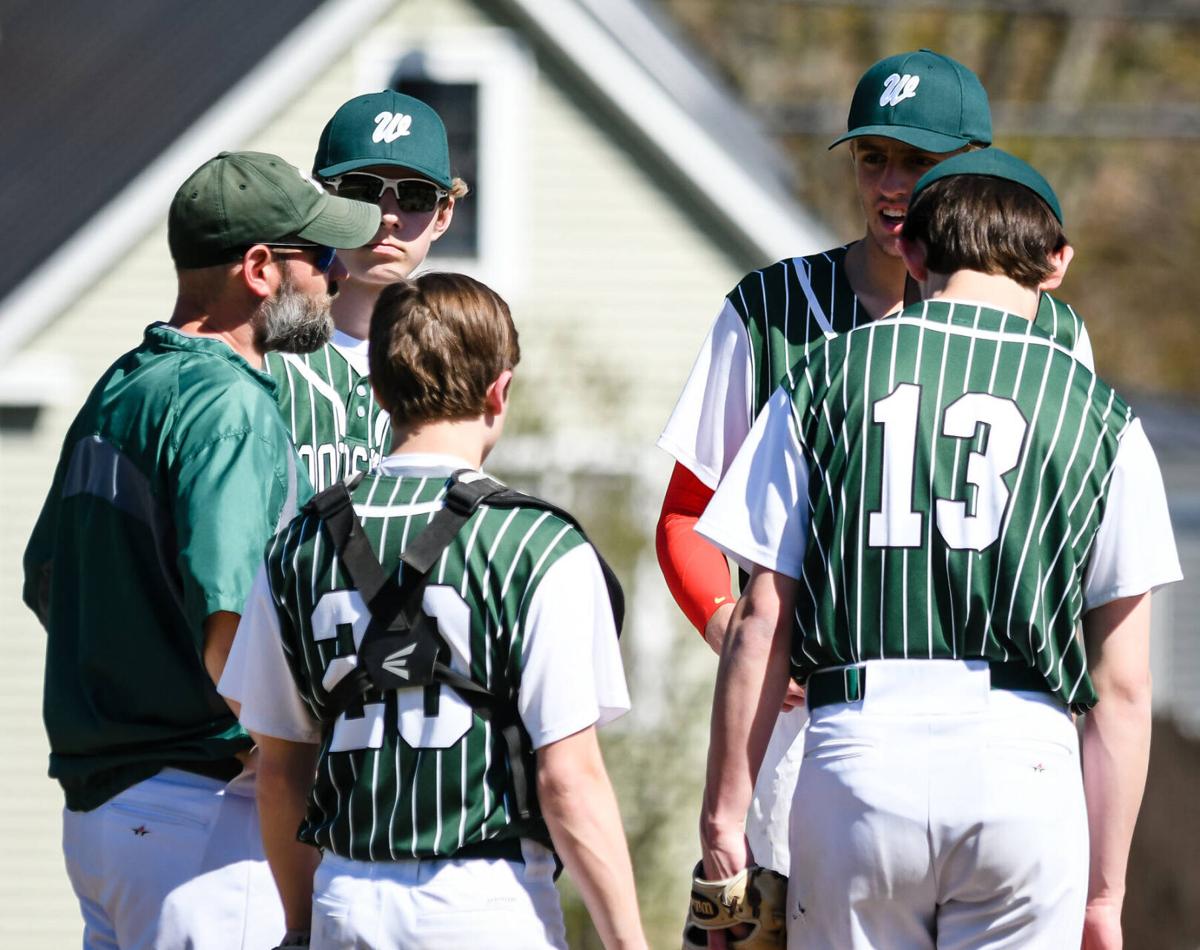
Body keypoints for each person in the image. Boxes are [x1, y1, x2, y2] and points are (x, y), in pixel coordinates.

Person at [694, 148, 1181, 948]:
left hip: (858, 753)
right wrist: (1104, 895)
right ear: (1056, 264)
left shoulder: (825, 376)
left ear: (914, 253)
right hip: (1025, 761)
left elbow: (760, 619)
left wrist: (724, 828)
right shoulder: (1103, 419)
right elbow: (1122, 688)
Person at [656, 48, 1095, 876]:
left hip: (1000, 722)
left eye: (918, 161)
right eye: (872, 157)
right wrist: (728, 626)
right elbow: (686, 514)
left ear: (977, 168)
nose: (892, 183)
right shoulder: (773, 311)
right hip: (815, 725)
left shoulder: (1054, 333)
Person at [220, 273, 648, 950]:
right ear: (499, 390)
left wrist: (302, 927)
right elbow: (568, 779)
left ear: (380, 393)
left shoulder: (295, 545)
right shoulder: (540, 545)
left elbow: (281, 770)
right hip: (484, 900)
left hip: (347, 894)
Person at [21, 150, 380, 950]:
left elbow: (45, 581)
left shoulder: (122, 385)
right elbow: (233, 633)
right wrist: (306, 777)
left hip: (104, 814)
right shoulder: (230, 405)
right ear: (259, 267)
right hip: (203, 822)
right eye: (318, 256)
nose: (335, 277)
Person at [268, 89, 467, 491]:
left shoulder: (458, 362)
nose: (390, 215)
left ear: (443, 214)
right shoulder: (263, 351)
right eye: (361, 189)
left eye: (415, 195)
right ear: (320, 199)